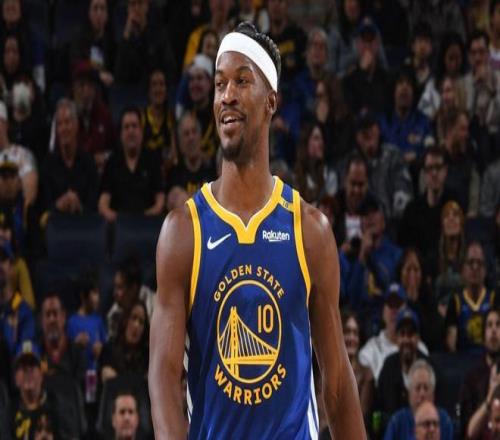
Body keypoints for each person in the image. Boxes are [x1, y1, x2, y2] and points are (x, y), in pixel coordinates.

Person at [149, 22, 365, 439]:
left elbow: (336, 383)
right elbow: (163, 378)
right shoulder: (183, 232)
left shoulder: (309, 230)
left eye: (242, 81)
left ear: (271, 101)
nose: (227, 95)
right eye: (220, 84)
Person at [383, 359, 453, 440]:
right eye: (417, 388)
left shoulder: (444, 421)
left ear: (433, 393)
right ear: (409, 393)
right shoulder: (397, 422)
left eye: (426, 388)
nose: (422, 394)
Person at [460, 308, 500, 438]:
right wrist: (490, 397)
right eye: (489, 325)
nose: (494, 330)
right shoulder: (471, 378)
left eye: (498, 325)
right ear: (483, 337)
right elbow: (469, 432)